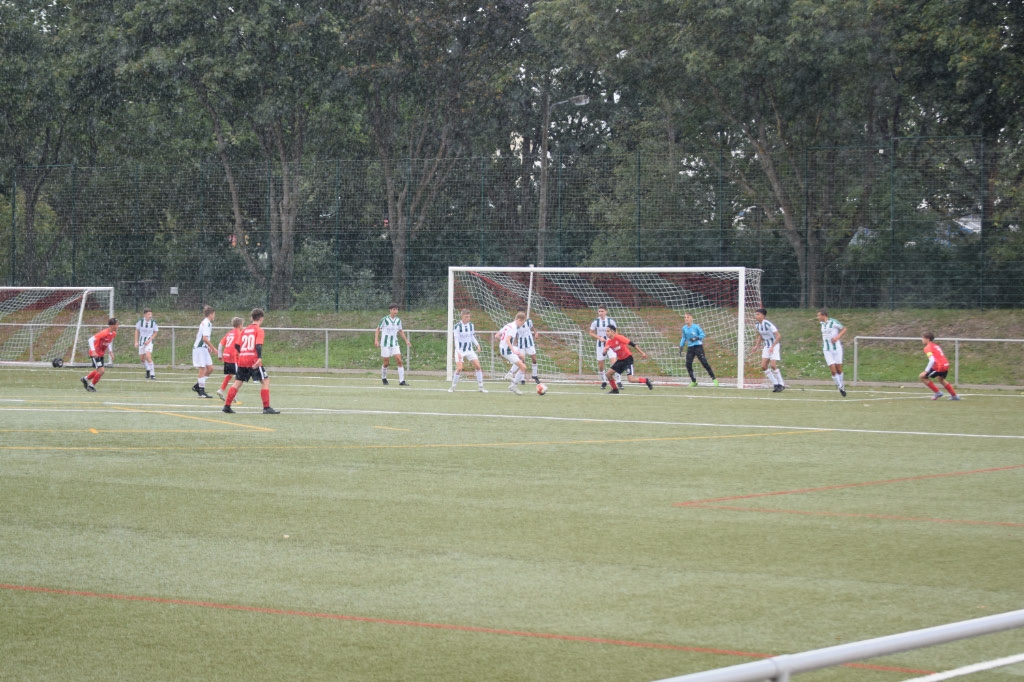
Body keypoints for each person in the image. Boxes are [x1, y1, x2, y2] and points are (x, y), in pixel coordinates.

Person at [223, 308, 280, 414]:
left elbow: (237, 345)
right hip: (253, 360)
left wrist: (243, 353)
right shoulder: (259, 330)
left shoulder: (244, 330)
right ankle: (266, 407)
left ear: (251, 318)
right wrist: (259, 358)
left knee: (237, 383)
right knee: (265, 381)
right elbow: (258, 345)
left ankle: (227, 406)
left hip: (242, 359)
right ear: (261, 318)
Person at [603, 324, 654, 393]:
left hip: (627, 359)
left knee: (631, 379)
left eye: (608, 331)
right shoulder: (608, 342)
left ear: (613, 332)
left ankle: (646, 380)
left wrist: (642, 353)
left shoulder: (619, 338)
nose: (606, 333)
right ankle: (615, 389)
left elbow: (633, 344)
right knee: (608, 374)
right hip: (620, 360)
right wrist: (605, 350)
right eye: (606, 331)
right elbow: (604, 354)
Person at [449, 309, 487, 393]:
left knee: (478, 366)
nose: (468, 318)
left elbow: (471, 336)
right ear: (462, 317)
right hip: (460, 350)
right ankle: (453, 386)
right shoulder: (457, 326)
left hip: (469, 350)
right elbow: (456, 340)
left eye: (469, 317)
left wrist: (477, 345)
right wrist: (458, 352)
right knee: (459, 368)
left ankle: (481, 387)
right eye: (466, 317)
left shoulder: (471, 325)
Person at [375, 304, 411, 386]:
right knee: (386, 363)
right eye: (394, 309)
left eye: (397, 309)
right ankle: (384, 377)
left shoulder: (398, 320)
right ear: (390, 310)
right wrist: (376, 340)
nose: (396, 311)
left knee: (399, 360)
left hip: (395, 343)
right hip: (385, 344)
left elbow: (400, 331)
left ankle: (402, 381)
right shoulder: (384, 319)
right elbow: (377, 329)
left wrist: (406, 340)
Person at [680, 313, 718, 387]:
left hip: (698, 347)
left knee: (704, 363)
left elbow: (702, 335)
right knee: (688, 364)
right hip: (690, 348)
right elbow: (684, 337)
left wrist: (696, 338)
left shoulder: (696, 327)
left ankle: (714, 379)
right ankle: (694, 381)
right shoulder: (684, 328)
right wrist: (681, 346)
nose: (686, 319)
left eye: (688, 317)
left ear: (691, 318)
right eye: (685, 317)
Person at [81, 318, 119, 392]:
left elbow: (109, 342)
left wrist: (111, 352)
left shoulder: (113, 333)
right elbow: (90, 340)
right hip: (95, 354)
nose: (118, 326)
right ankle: (91, 386)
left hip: (101, 354)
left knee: (98, 371)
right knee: (101, 371)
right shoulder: (104, 333)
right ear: (112, 326)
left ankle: (85, 379)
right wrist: (93, 351)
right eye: (117, 324)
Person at [920, 332, 960, 401]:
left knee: (922, 376)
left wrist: (926, 371)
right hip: (946, 364)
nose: (922, 339)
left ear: (928, 339)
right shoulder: (936, 346)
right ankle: (954, 396)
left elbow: (932, 360)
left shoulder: (927, 347)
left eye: (923, 338)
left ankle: (938, 393)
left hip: (939, 366)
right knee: (940, 379)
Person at [816, 308, 847, 397]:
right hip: (826, 349)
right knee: (833, 370)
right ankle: (840, 387)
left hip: (836, 349)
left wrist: (837, 337)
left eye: (819, 315)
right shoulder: (822, 324)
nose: (818, 317)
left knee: (838, 369)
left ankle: (841, 384)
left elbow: (844, 329)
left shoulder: (833, 322)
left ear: (824, 315)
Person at [754, 308, 785, 392]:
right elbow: (761, 335)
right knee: (763, 366)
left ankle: (781, 384)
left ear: (763, 316)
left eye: (758, 314)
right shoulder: (757, 325)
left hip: (774, 346)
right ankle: (775, 383)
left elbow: (778, 335)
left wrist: (772, 346)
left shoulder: (768, 324)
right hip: (766, 346)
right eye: (756, 314)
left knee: (773, 365)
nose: (756, 316)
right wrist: (756, 346)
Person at [496, 311, 528, 394]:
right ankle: (513, 386)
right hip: (507, 351)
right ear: (519, 320)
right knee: (523, 367)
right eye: (523, 322)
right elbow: (507, 340)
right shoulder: (514, 328)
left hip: (503, 348)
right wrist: (513, 350)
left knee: (522, 356)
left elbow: (497, 335)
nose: (522, 325)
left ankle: (510, 373)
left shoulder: (508, 325)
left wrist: (503, 343)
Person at [216, 316, 245, 403]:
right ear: (240, 325)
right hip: (233, 356)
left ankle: (221, 390)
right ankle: (233, 394)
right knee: (238, 376)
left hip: (226, 355)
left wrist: (220, 355)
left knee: (230, 374)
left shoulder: (229, 333)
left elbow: (220, 344)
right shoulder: (239, 333)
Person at [589, 306, 617, 389]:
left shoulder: (611, 321)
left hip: (610, 344)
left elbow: (616, 332)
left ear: (606, 312)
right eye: (599, 311)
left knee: (614, 362)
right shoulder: (596, 322)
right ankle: (604, 381)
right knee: (601, 364)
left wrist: (613, 340)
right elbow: (591, 332)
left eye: (602, 311)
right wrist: (599, 338)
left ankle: (618, 381)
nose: (600, 313)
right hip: (600, 345)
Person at [192, 305, 216, 398]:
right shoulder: (207, 323)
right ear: (210, 314)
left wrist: (207, 347)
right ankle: (201, 391)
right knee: (202, 368)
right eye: (214, 314)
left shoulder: (206, 322)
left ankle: (198, 386)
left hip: (203, 348)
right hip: (199, 348)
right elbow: (204, 338)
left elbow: (203, 337)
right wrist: (213, 348)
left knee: (210, 368)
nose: (214, 316)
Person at [515, 307, 541, 384]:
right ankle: (522, 378)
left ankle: (534, 375)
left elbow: (532, 328)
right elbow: (515, 334)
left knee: (534, 358)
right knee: (522, 361)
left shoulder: (529, 321)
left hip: (529, 343)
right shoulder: (515, 323)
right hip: (521, 344)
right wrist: (515, 343)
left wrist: (536, 333)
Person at [134, 308, 159, 379]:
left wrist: (149, 340)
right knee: (142, 359)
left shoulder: (153, 322)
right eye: (148, 314)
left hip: (149, 342)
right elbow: (137, 331)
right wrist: (136, 341)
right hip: (141, 342)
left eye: (151, 314)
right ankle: (148, 369)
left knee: (148, 356)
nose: (150, 316)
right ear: (144, 315)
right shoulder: (140, 321)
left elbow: (155, 332)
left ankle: (152, 374)